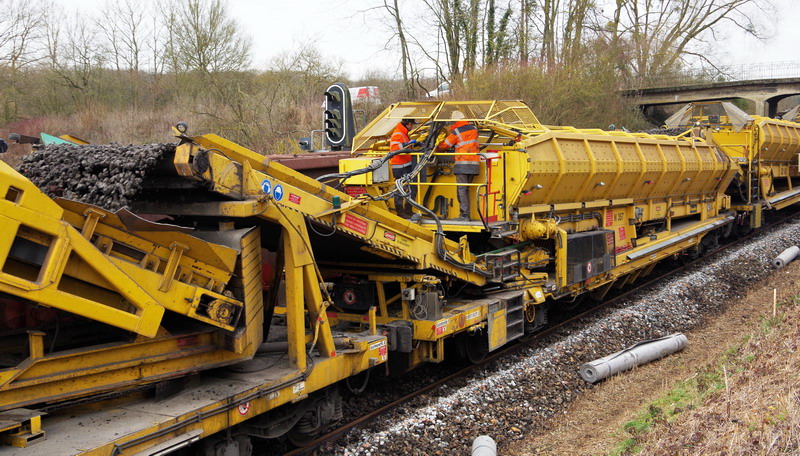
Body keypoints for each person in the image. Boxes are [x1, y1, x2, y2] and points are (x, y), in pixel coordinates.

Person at [437, 111, 480, 221]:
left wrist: (436, 145)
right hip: (474, 164)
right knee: (466, 190)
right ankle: (466, 214)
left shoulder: (456, 131)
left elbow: (445, 145)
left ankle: (464, 215)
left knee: (461, 189)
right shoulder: (474, 129)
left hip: (462, 164)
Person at [389, 118, 418, 217]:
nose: (412, 127)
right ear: (408, 124)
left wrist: (413, 144)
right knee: (400, 188)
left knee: (412, 187)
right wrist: (407, 144)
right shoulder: (398, 133)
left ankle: (408, 210)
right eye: (412, 125)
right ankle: (400, 212)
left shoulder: (403, 133)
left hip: (406, 164)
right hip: (400, 166)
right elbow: (395, 148)